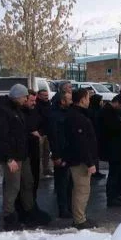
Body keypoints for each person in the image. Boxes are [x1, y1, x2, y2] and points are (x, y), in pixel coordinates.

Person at [0, 83, 50, 230]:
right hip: (12, 157)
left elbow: (20, 131)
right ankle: (9, 217)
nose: (26, 100)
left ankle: (29, 211)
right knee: (13, 187)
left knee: (28, 183)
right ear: (18, 96)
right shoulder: (3, 111)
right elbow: (2, 137)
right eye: (25, 97)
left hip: (22, 155)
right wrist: (9, 159)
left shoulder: (16, 109)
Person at [64, 88, 99, 229]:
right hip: (80, 161)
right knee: (81, 190)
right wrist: (90, 162)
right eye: (88, 98)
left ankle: (80, 217)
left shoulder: (78, 115)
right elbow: (81, 142)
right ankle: (79, 220)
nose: (89, 100)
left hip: (80, 159)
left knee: (82, 190)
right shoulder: (77, 117)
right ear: (83, 99)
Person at [101, 94, 121, 207]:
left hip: (117, 146)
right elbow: (112, 127)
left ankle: (115, 195)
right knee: (113, 174)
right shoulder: (107, 112)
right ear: (117, 102)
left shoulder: (113, 111)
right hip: (112, 147)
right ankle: (111, 197)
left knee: (117, 173)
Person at [49, 90, 74, 218]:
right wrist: (56, 155)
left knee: (70, 183)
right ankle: (63, 209)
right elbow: (54, 137)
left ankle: (69, 207)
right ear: (62, 101)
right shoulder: (55, 115)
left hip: (69, 152)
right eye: (69, 99)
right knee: (62, 183)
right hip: (61, 153)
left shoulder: (68, 113)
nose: (71, 102)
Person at [35, 89, 53, 176]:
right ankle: (38, 171)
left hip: (48, 132)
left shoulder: (49, 104)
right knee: (39, 153)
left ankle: (46, 169)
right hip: (40, 133)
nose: (46, 96)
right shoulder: (36, 105)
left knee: (47, 152)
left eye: (47, 95)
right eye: (44, 95)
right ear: (38, 96)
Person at [88, 94, 105, 180]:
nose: (102, 102)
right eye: (101, 100)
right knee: (93, 154)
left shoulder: (99, 110)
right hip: (94, 135)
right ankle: (94, 171)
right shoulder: (92, 112)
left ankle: (96, 171)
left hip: (98, 135)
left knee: (96, 154)